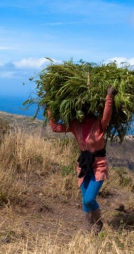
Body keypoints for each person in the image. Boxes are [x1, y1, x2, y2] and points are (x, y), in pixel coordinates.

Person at [48, 86, 114, 233]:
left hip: (99, 165)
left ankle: (98, 223)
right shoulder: (75, 124)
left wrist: (109, 97)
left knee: (90, 199)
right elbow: (55, 128)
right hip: (84, 165)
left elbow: (107, 115)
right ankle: (89, 228)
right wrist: (49, 108)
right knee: (84, 198)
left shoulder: (99, 124)